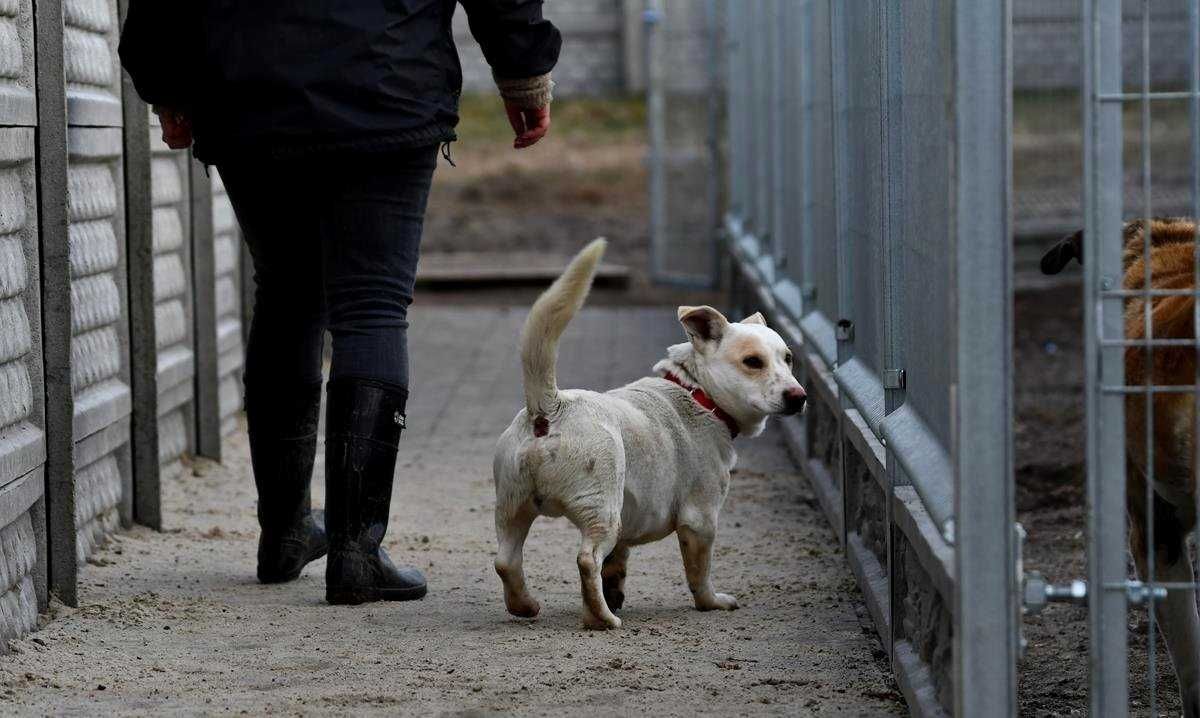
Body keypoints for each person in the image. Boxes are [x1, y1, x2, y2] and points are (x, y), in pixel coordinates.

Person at [119, 2, 561, 605]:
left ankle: (284, 532)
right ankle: (356, 553)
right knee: (372, 307)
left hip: (250, 93)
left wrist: (167, 85)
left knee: (285, 292)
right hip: (386, 85)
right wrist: (522, 72)